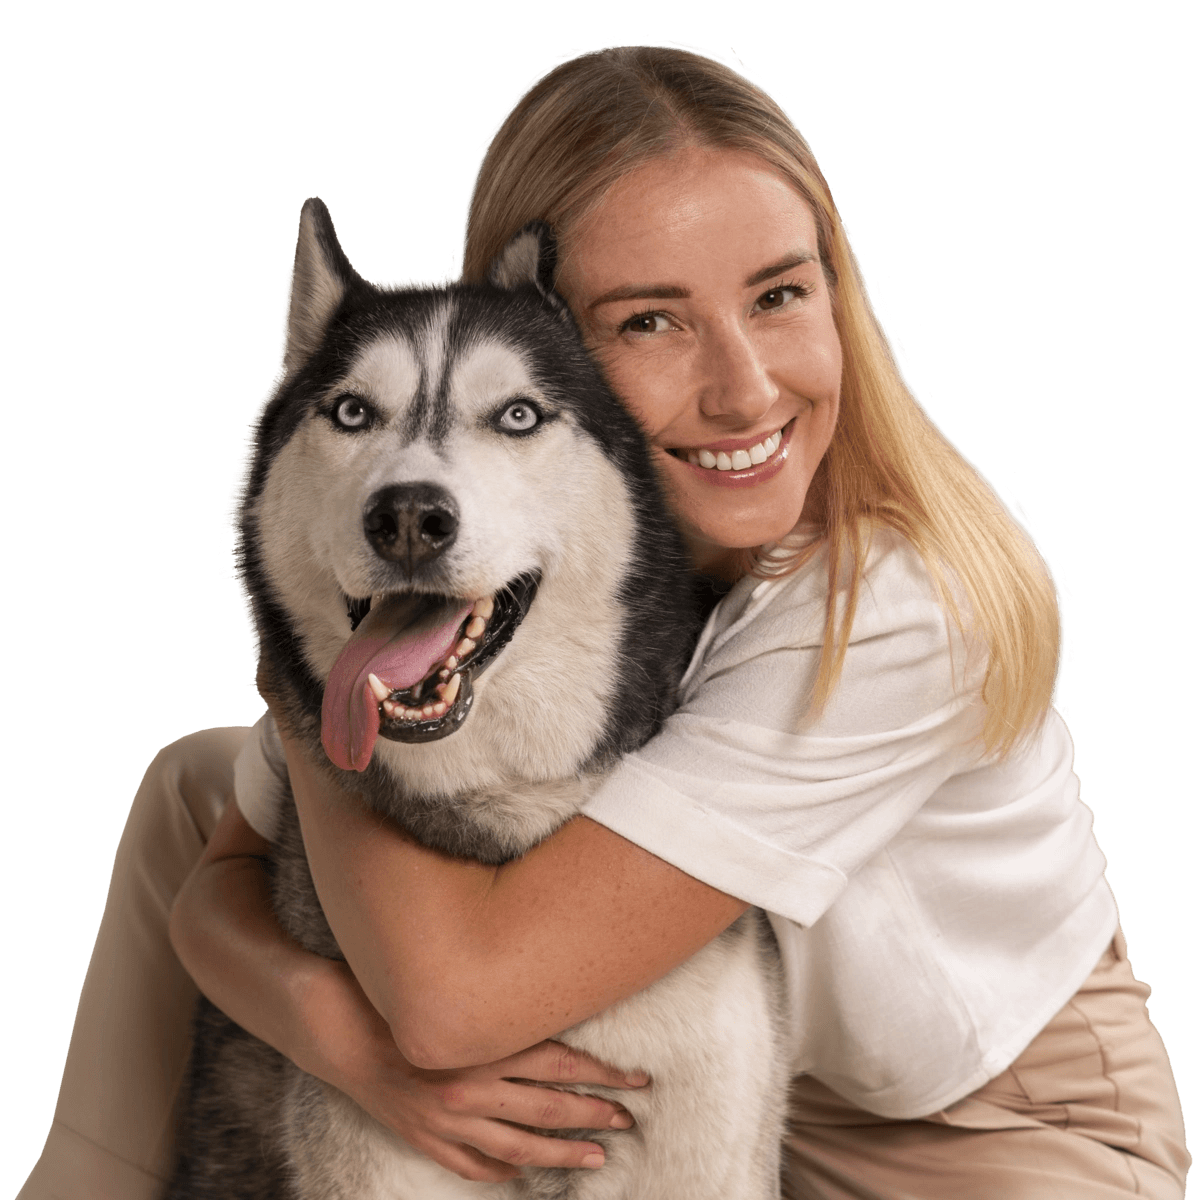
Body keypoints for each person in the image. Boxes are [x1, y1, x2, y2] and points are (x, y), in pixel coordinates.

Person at [20, 44, 1190, 1200]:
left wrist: (311, 662)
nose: (744, 389)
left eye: (779, 295)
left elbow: (453, 1003)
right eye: (649, 323)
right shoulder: (552, 552)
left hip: (1005, 1144)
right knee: (195, 784)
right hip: (723, 1093)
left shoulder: (888, 611)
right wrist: (343, 1037)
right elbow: (217, 884)